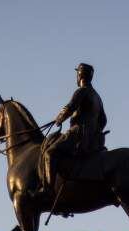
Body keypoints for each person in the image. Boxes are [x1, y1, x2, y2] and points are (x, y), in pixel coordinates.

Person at [39, 63, 107, 196]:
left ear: (80, 75)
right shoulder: (97, 97)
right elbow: (103, 120)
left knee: (49, 153)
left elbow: (70, 107)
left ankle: (47, 191)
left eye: (77, 74)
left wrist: (59, 119)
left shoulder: (82, 91)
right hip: (93, 138)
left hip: (78, 133)